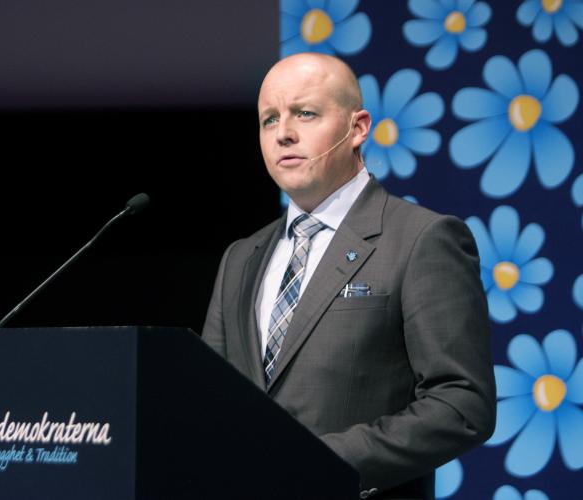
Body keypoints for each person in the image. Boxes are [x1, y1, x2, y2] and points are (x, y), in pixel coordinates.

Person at [201, 53, 496, 499]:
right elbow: (207, 399)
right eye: (268, 119)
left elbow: (462, 403)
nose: (283, 133)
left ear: (357, 128)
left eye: (305, 113)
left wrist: (319, 461)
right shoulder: (241, 259)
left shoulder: (422, 239)